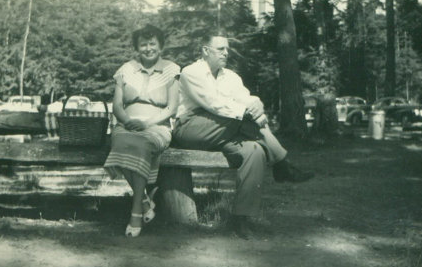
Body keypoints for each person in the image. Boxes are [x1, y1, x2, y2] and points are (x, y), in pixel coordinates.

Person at [172, 31, 314, 239]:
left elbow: (247, 99)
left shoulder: (231, 77)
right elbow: (213, 104)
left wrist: (256, 107)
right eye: (221, 49)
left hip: (226, 130)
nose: (226, 53)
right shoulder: (191, 73)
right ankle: (282, 162)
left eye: (228, 49)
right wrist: (248, 113)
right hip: (191, 128)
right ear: (205, 51)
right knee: (243, 117)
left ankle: (240, 220)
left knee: (254, 151)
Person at [103, 25, 180, 237]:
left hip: (157, 127)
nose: (148, 48)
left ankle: (136, 211)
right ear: (137, 47)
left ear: (160, 46)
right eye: (143, 44)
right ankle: (144, 201)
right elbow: (117, 106)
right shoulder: (125, 69)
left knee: (140, 143)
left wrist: (147, 124)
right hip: (125, 126)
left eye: (152, 43)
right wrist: (128, 121)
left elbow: (172, 108)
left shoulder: (171, 70)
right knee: (120, 143)